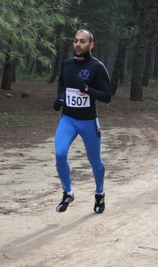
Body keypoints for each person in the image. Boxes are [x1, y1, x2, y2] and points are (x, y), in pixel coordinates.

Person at [53, 29, 112, 213]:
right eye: (76, 41)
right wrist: (61, 98)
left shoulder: (97, 67)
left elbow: (107, 96)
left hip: (88, 121)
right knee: (60, 154)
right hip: (68, 119)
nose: (78, 44)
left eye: (83, 41)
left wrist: (86, 88)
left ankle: (99, 194)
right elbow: (62, 84)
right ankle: (68, 192)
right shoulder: (67, 64)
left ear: (91, 45)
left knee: (95, 161)